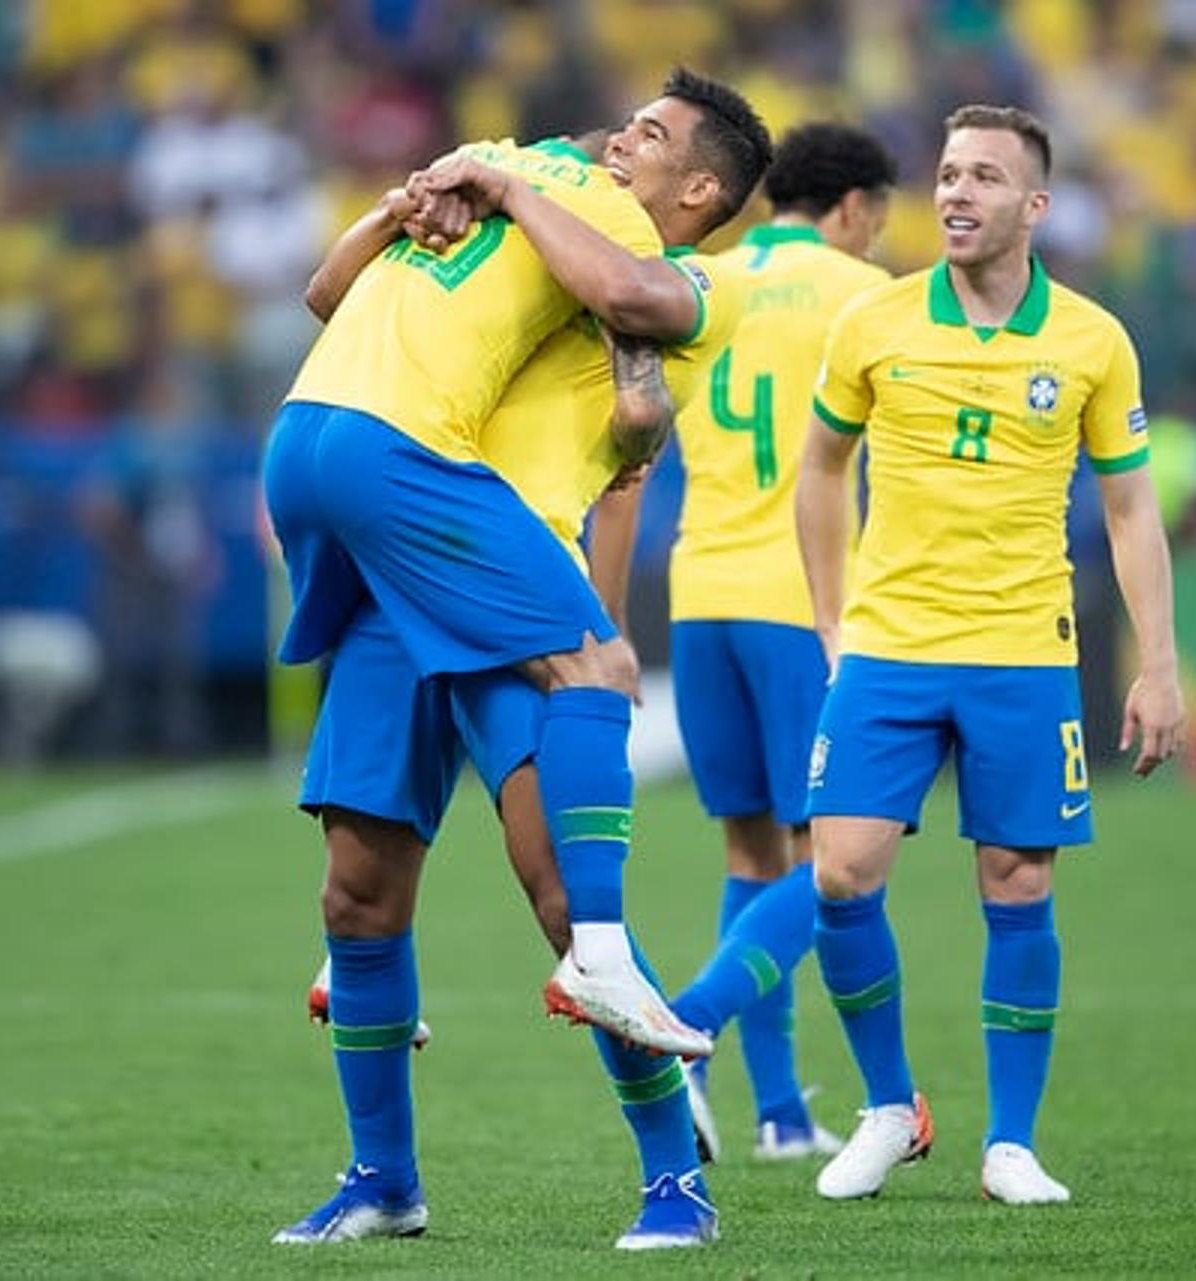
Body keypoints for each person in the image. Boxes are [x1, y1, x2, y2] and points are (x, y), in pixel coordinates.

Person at [263, 69, 767, 1247]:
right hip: (411, 556)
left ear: (700, 188)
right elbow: (357, 298)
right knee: (358, 888)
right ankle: (382, 1181)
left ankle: (674, 1185)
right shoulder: (544, 230)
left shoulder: (693, 283)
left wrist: (496, 182)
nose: (623, 142)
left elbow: (632, 349)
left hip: (510, 570)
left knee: (558, 893)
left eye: (653, 137)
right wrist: (428, 201)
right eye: (626, 125)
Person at [794, 105, 1184, 1206]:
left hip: (1023, 649)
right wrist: (833, 621)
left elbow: (1130, 510)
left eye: (983, 178)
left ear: (1035, 207)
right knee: (839, 870)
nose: (956, 194)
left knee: (1016, 884)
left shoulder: (1093, 341)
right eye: (948, 173)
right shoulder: (875, 323)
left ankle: (1010, 1143)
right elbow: (821, 469)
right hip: (890, 645)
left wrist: (1158, 664)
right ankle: (887, 1108)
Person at [654, 123, 897, 1165]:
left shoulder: (701, 279)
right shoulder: (862, 294)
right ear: (850, 210)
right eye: (877, 221)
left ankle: (781, 1113)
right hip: (807, 601)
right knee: (838, 860)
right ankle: (684, 1029)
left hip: (698, 588)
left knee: (752, 849)